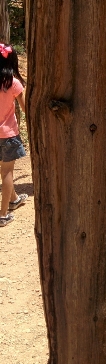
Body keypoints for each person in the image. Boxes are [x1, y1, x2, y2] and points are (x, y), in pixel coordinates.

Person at [0, 44, 28, 227]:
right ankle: (3, 214)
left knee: (3, 170)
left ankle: (15, 199)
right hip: (7, 134)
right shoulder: (13, 83)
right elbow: (26, 109)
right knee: (8, 171)